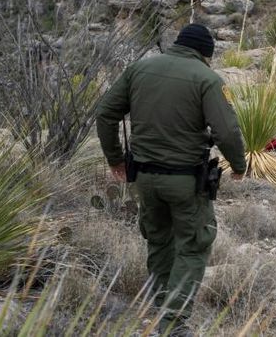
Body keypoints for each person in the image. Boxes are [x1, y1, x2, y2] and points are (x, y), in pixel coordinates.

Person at [96, 23, 246, 335]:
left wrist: (115, 159)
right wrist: (239, 164)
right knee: (192, 245)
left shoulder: (140, 68)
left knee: (159, 240)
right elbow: (227, 131)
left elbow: (106, 114)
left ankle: (160, 306)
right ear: (205, 54)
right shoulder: (207, 78)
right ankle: (173, 324)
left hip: (144, 179)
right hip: (185, 181)